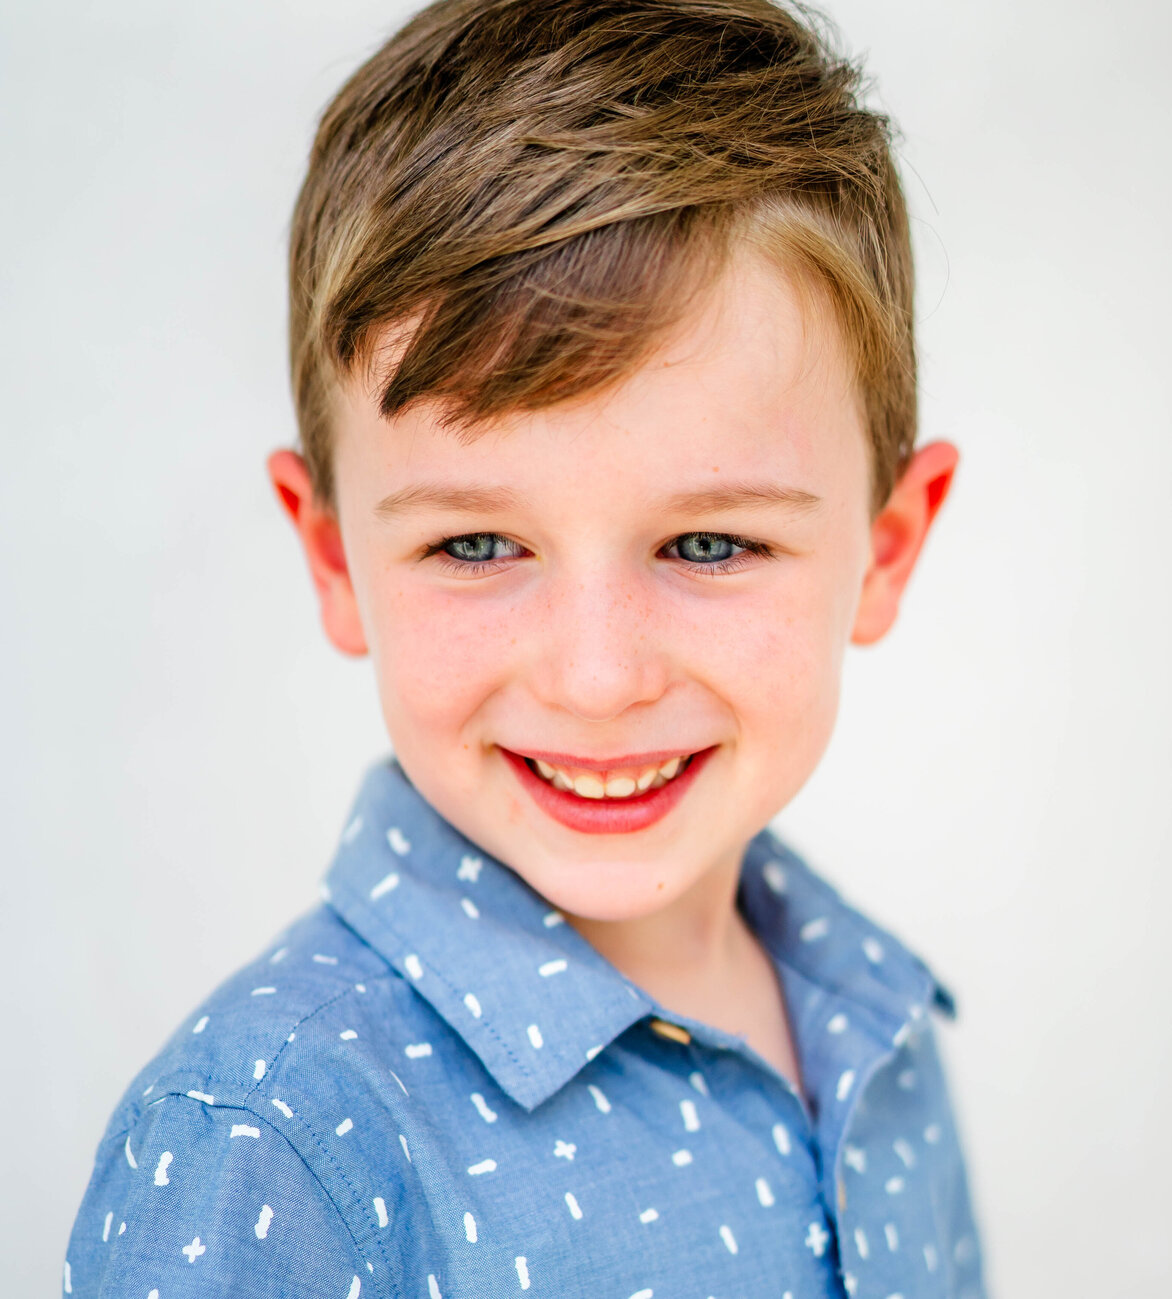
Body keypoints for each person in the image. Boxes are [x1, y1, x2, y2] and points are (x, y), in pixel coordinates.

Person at [63, 1, 987, 1295]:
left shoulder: (877, 1024)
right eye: (478, 547)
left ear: (885, 549)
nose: (598, 680)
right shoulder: (270, 1137)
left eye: (711, 546)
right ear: (334, 560)